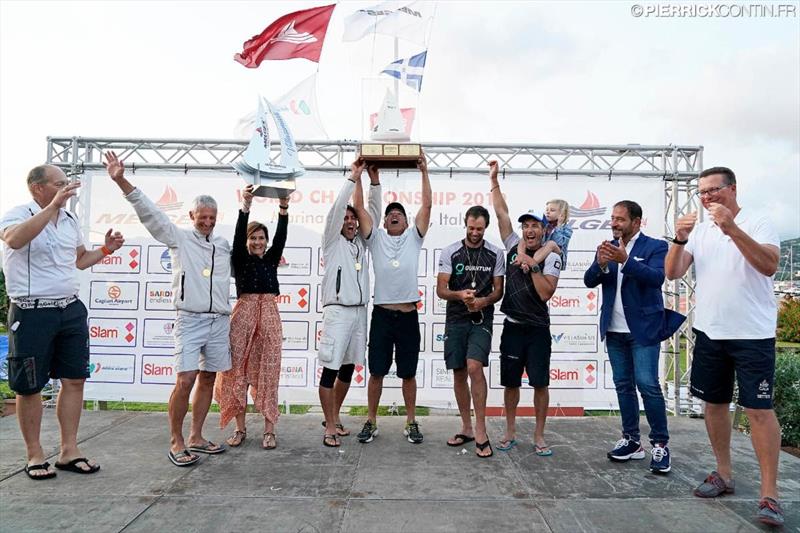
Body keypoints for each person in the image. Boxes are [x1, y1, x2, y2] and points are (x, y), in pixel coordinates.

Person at [665, 166, 784, 526]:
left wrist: (732, 229)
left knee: (758, 410)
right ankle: (723, 473)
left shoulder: (760, 222)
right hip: (710, 332)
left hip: (753, 334)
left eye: (713, 190)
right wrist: (680, 238)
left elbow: (769, 265)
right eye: (702, 193)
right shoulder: (700, 232)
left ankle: (770, 494)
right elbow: (672, 272)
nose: (707, 198)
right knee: (714, 404)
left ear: (732, 189)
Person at [104, 151, 231, 467]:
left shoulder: (223, 245)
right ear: (191, 216)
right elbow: (151, 214)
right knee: (185, 378)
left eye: (212, 217)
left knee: (207, 378)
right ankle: (176, 440)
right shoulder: (180, 238)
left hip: (219, 321)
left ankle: (196, 437)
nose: (207, 221)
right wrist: (122, 180)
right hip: (189, 319)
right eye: (202, 216)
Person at [0, 164, 124, 479]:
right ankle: (34, 454)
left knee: (74, 379)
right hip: (31, 312)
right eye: (59, 184)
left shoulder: (69, 220)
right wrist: (51, 207)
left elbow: (80, 260)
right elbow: (14, 240)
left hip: (70, 309)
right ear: (37, 187)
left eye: (67, 183)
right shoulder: (17, 214)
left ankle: (69, 450)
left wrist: (107, 249)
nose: (67, 189)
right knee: (30, 386)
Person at [583, 200, 685, 474]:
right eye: (613, 219)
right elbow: (589, 281)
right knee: (623, 385)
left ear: (637, 222)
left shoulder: (655, 246)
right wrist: (601, 264)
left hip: (643, 331)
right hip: (614, 331)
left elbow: (656, 278)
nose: (615, 223)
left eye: (620, 219)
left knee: (648, 385)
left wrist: (625, 261)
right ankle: (631, 440)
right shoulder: (608, 247)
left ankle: (660, 444)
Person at [356, 153, 432, 444]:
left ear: (406, 219)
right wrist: (361, 174)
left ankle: (411, 421)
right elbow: (360, 208)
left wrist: (424, 171)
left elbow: (426, 205)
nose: (395, 214)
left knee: (408, 374)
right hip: (382, 317)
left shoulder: (415, 237)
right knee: (376, 372)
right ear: (385, 222)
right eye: (390, 213)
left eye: (399, 212)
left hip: (408, 316)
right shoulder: (375, 239)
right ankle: (371, 420)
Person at [488, 161, 561, 455]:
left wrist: (531, 267)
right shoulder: (513, 244)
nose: (529, 230)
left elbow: (546, 293)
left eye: (535, 226)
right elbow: (501, 212)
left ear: (543, 230)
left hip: (538, 330)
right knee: (510, 384)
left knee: (540, 385)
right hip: (512, 328)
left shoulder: (552, 256)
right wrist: (494, 180)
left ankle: (540, 436)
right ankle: (509, 432)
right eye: (526, 226)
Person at [213, 184, 288, 450]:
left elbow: (281, 237)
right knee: (236, 374)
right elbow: (236, 234)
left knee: (268, 372)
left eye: (262, 238)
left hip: (269, 316)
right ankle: (240, 428)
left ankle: (269, 431)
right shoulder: (242, 261)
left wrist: (283, 207)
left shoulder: (271, 259)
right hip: (242, 317)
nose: (258, 242)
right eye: (253, 238)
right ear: (246, 242)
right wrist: (246, 205)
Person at [436, 205, 505, 457]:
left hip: (480, 319)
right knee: (459, 372)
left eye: (479, 229)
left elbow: (499, 291)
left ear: (486, 227)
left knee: (475, 367)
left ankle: (481, 429)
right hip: (455, 318)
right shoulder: (450, 251)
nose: (475, 233)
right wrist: (460, 295)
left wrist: (483, 301)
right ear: (465, 224)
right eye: (471, 228)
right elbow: (441, 290)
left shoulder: (495, 253)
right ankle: (465, 426)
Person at [318, 159, 371, 447]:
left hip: (360, 314)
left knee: (348, 368)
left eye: (353, 219)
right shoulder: (331, 241)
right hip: (337, 313)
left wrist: (372, 181)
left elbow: (369, 212)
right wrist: (353, 178)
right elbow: (338, 208)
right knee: (331, 370)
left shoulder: (361, 244)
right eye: (346, 219)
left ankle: (335, 418)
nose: (350, 222)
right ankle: (328, 427)